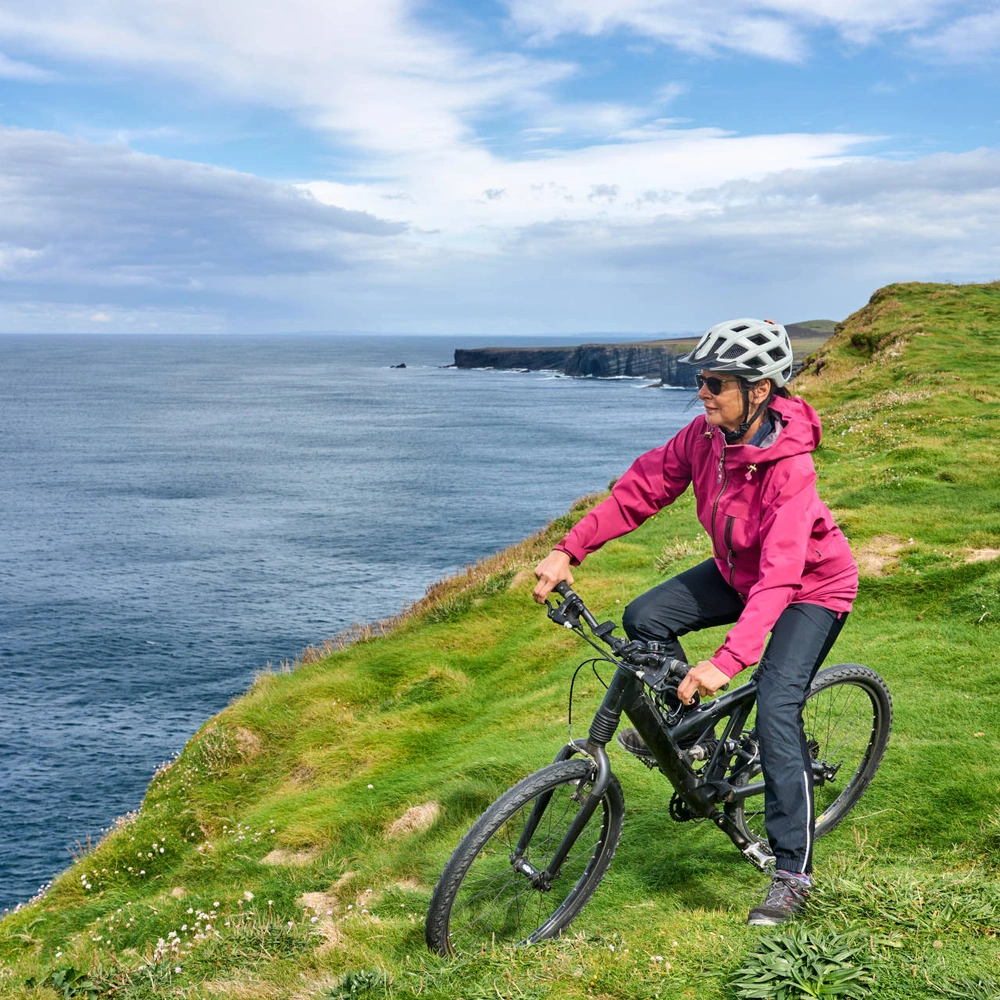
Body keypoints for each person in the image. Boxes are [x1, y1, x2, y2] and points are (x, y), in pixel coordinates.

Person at [532, 317, 858, 926]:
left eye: (715, 382)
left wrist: (725, 662)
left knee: (777, 710)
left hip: (812, 588)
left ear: (758, 390)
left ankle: (792, 872)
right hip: (739, 574)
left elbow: (784, 573)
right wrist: (568, 549)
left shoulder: (791, 469)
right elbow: (643, 489)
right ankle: (700, 737)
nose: (702, 392)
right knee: (644, 618)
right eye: (701, 381)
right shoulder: (706, 437)